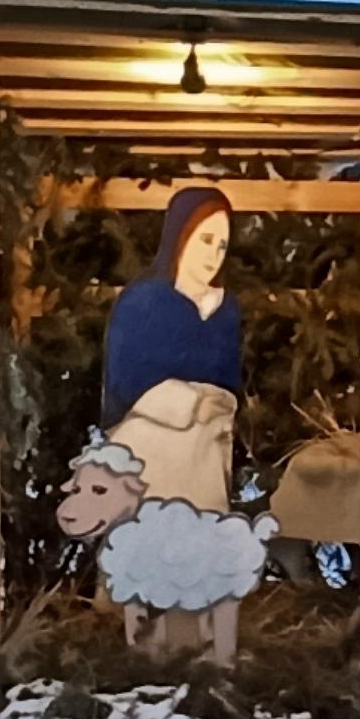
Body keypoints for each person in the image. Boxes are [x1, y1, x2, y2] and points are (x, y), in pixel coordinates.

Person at [99, 185, 243, 515]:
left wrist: (220, 404)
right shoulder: (143, 301)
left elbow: (231, 377)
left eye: (222, 244)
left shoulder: (225, 309)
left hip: (205, 455)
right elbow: (127, 380)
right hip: (149, 451)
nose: (214, 254)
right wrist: (190, 403)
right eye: (206, 240)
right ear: (182, 234)